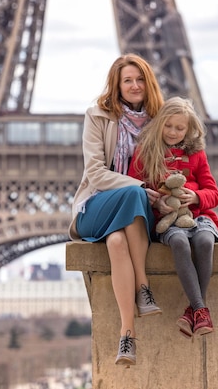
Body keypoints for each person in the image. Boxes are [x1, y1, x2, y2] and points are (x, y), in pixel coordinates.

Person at [68, 54, 165, 367]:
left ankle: (127, 335)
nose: (135, 85)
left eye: (140, 79)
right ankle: (143, 286)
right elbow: (95, 172)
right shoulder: (97, 116)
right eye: (128, 80)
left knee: (116, 242)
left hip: (138, 209)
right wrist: (135, 185)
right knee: (132, 192)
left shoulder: (161, 120)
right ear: (117, 85)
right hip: (96, 204)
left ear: (147, 83)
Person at [128, 96, 218, 338]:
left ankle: (194, 310)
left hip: (200, 217)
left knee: (204, 241)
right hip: (168, 219)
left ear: (189, 129)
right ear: (159, 124)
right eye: (168, 126)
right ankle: (200, 309)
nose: (172, 132)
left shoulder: (198, 155)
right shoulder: (145, 152)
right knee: (179, 242)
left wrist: (197, 197)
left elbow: (214, 193)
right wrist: (157, 201)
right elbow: (133, 188)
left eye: (179, 128)